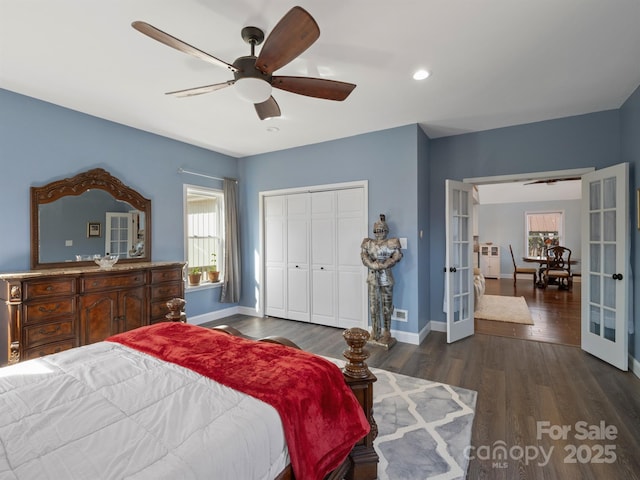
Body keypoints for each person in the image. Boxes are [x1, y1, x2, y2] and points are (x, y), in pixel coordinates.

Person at [360, 214, 403, 346]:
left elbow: (397, 255)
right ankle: (375, 331)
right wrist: (373, 265)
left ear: (386, 231)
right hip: (373, 276)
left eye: (381, 230)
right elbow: (364, 255)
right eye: (376, 231)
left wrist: (384, 264)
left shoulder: (392, 242)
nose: (379, 233)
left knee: (386, 306)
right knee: (373, 306)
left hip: (386, 276)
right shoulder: (368, 243)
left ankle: (386, 332)